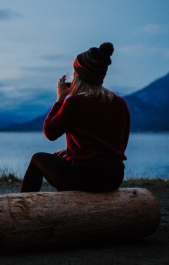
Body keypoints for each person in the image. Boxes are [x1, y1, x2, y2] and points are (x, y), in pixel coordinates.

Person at [20, 42, 130, 193]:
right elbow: (119, 145)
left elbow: (49, 132)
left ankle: (23, 208)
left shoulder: (75, 102)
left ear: (78, 75)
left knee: (37, 159)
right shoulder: (120, 103)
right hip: (114, 178)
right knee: (65, 161)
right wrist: (73, 150)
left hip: (84, 177)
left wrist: (60, 99)